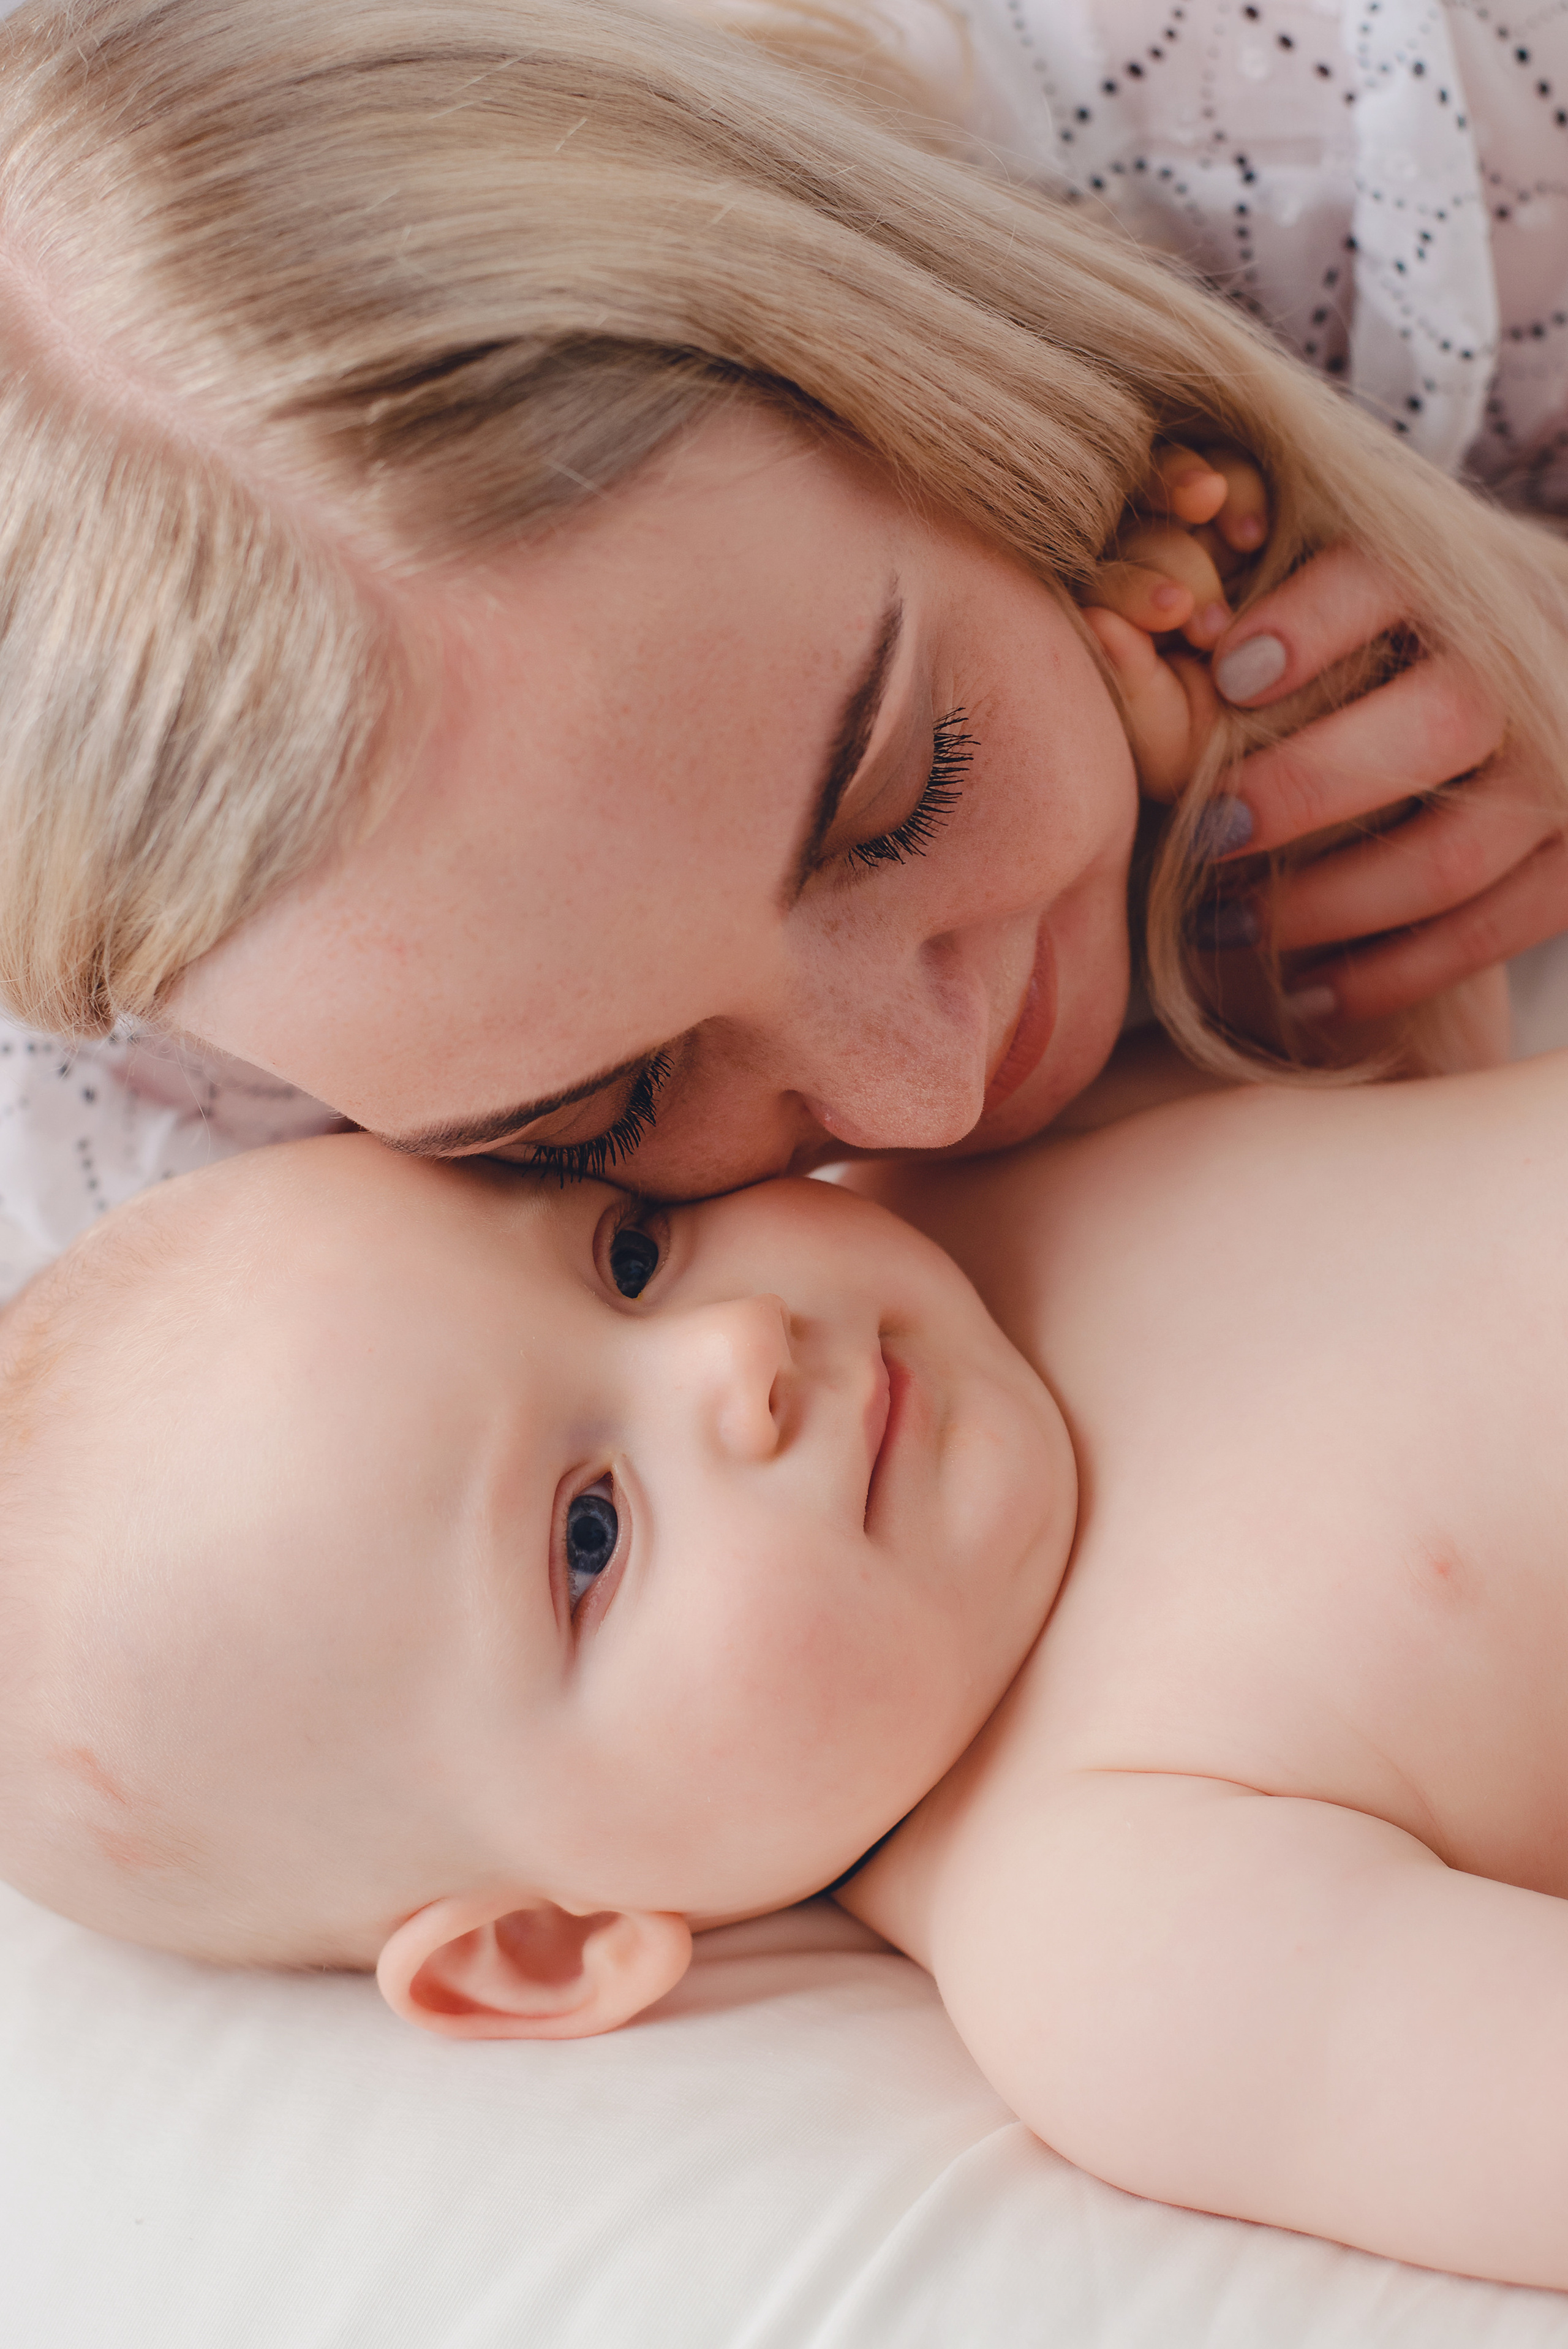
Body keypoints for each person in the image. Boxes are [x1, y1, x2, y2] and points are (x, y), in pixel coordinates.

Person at [9, 1054, 1568, 2290]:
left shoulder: (970, 1145)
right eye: (591, 1537)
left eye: (628, 1254)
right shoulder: (1106, 1927)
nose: (735, 1349)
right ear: (553, 1942)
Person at [0, 0, 1566, 1225]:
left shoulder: (1362, 106)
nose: (926, 1100)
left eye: (904, 796)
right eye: (595, 1119)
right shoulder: (133, 1160)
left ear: (937, 393)